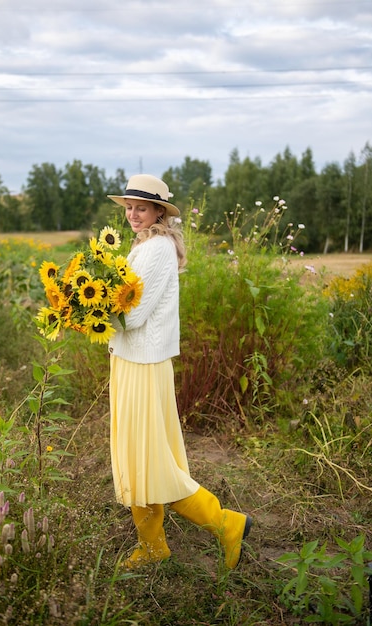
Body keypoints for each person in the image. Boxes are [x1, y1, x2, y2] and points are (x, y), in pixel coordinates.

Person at [107, 174, 252, 569]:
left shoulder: (156, 250)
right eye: (129, 208)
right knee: (136, 458)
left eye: (142, 208)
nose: (133, 215)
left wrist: (91, 312)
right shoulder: (143, 246)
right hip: (129, 359)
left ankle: (227, 524)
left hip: (143, 363)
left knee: (150, 460)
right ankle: (153, 547)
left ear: (159, 212)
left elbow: (132, 316)